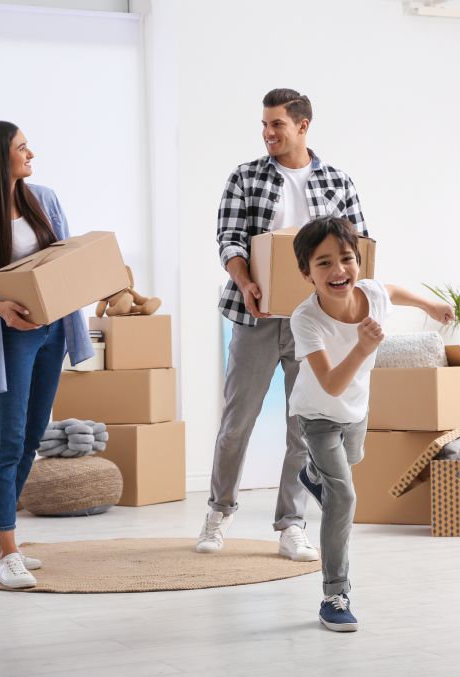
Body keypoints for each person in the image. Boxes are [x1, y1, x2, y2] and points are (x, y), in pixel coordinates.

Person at [196, 88, 368, 560]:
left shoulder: (337, 182)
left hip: (312, 322)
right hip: (254, 317)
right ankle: (218, 511)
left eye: (278, 125)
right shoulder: (246, 177)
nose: (269, 133)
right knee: (237, 422)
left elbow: (359, 249)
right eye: (265, 125)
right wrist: (246, 280)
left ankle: (291, 523)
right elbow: (229, 238)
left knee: (302, 426)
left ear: (303, 125)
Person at [0, 121, 93, 589]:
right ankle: (9, 551)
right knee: (7, 441)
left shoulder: (43, 199)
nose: (31, 154)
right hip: (11, 338)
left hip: (51, 334)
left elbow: (64, 260)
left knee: (31, 437)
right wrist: (2, 309)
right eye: (22, 148)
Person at [289, 216, 453, 632]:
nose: (338, 270)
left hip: (355, 414)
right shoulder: (306, 319)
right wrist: (363, 347)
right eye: (323, 263)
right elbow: (330, 384)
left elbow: (394, 291)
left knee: (351, 459)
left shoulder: (372, 294)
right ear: (306, 273)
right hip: (317, 415)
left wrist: (430, 305)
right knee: (342, 497)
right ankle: (335, 595)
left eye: (346, 259)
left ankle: (312, 474)